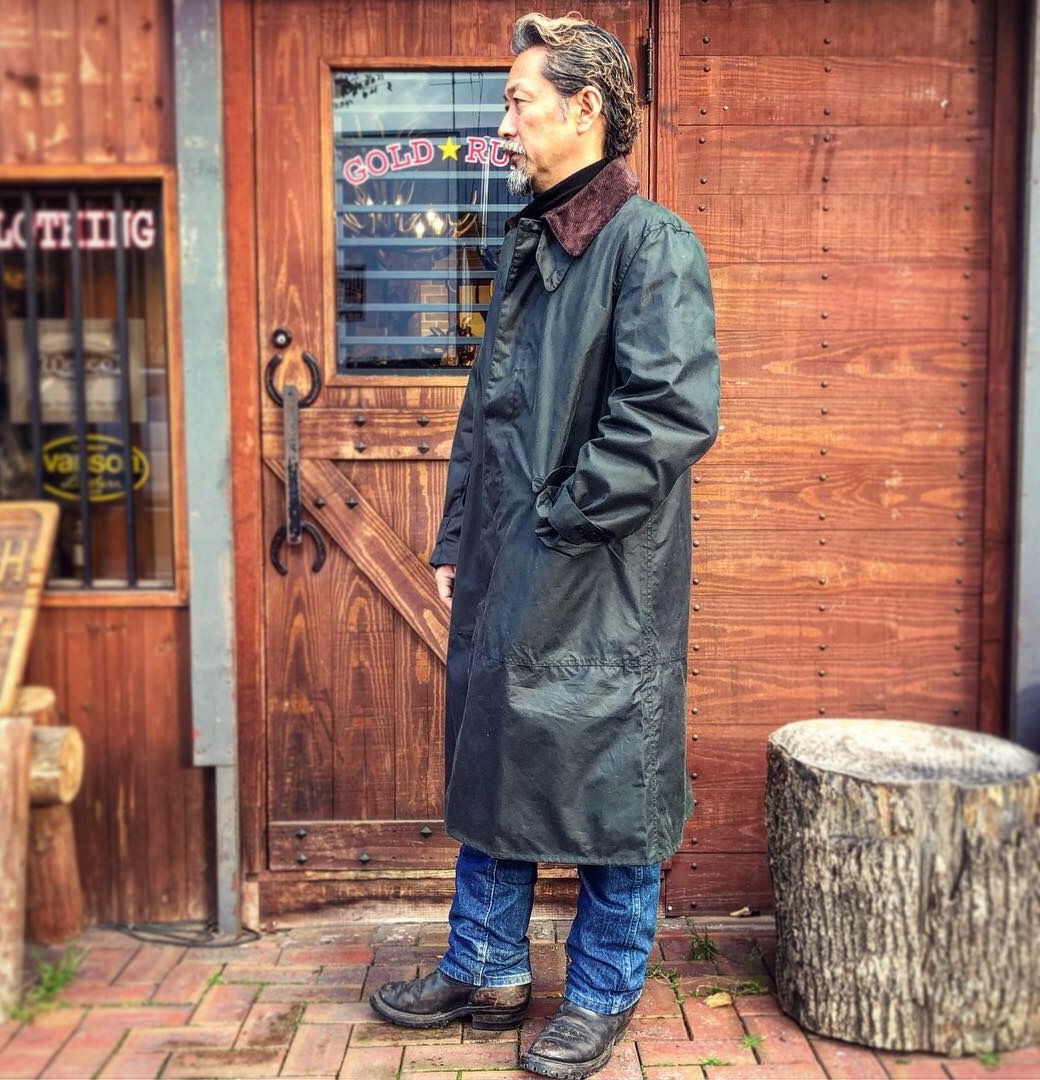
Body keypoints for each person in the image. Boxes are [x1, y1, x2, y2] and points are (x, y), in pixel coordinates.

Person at [370, 12, 720, 1079]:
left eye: (521, 101)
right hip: (509, 562)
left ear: (586, 110)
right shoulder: (531, 243)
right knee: (494, 757)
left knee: (616, 778)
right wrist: (459, 536)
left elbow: (667, 415)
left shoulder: (649, 243)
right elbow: (489, 415)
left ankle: (603, 990)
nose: (505, 122)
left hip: (603, 573)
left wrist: (560, 517)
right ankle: (485, 969)